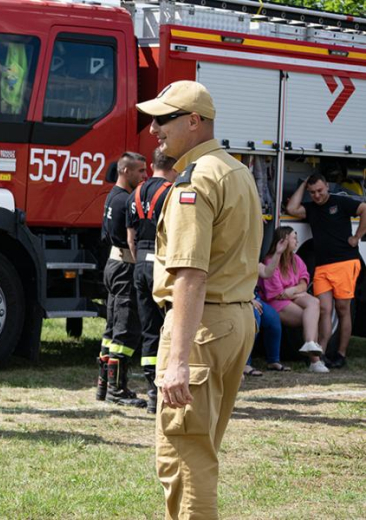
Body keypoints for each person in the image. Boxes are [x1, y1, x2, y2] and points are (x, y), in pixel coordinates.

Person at [138, 80, 262, 519]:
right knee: (200, 445)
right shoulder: (235, 170)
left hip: (202, 326)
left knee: (185, 456)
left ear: (194, 122)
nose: (153, 129)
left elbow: (190, 273)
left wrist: (175, 362)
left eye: (163, 119)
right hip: (234, 319)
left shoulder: (196, 180)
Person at [286, 173, 366, 369]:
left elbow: (364, 209)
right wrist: (303, 184)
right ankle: (319, 353)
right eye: (312, 192)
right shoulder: (311, 208)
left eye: (320, 191)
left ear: (327, 187)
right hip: (322, 267)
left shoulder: (341, 202)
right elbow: (291, 208)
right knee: (324, 310)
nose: (317, 196)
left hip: (345, 263)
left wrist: (357, 237)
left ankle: (341, 354)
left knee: (343, 309)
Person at [126, 148, 177, 413]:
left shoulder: (134, 193)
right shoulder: (172, 192)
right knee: (169, 327)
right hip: (162, 262)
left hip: (140, 264)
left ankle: (151, 393)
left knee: (148, 329)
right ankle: (165, 387)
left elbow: (130, 238)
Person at [97, 152, 147, 407]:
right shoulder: (126, 200)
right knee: (126, 329)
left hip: (112, 264)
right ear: (125, 171)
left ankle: (104, 385)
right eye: (140, 171)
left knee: (112, 326)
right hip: (125, 265)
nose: (145, 176)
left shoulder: (112, 196)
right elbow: (132, 238)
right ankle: (118, 390)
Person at [258, 227, 327, 373]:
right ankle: (315, 361)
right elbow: (277, 294)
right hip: (275, 302)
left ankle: (309, 343)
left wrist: (293, 291)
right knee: (310, 318)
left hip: (292, 296)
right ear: (283, 240)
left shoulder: (296, 260)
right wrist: (296, 293)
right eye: (294, 238)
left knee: (314, 303)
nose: (297, 241)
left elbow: (303, 282)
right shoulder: (271, 261)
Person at [244, 234, 291, 377]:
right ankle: (245, 364)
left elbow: (267, 272)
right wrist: (249, 299)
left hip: (254, 297)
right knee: (255, 319)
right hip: (243, 298)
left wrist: (278, 253)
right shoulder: (234, 259)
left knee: (273, 319)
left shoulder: (251, 259)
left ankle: (273, 361)